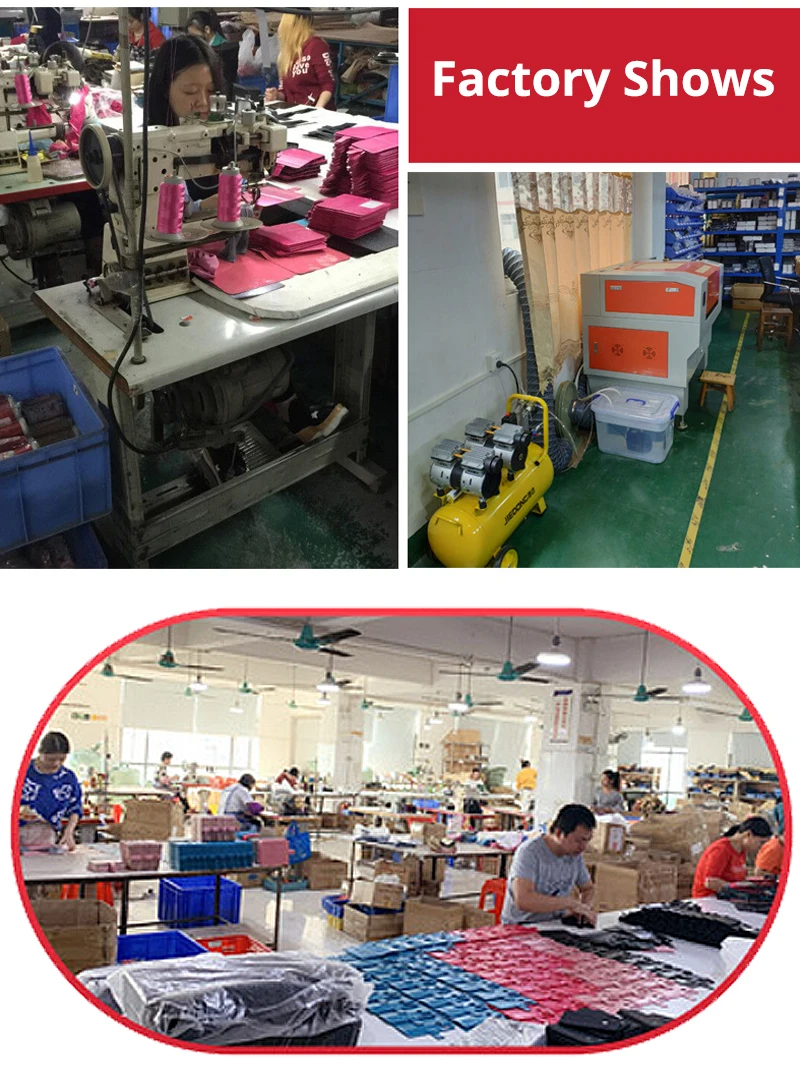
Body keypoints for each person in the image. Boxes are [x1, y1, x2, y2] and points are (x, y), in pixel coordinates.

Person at [146, 36, 348, 450]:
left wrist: (232, 202)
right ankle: (258, 405)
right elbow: (167, 210)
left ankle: (281, 401)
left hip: (213, 255)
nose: (203, 103)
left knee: (289, 306)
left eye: (210, 91)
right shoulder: (150, 148)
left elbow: (230, 184)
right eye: (190, 91)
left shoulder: (216, 136)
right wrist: (205, 210)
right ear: (163, 91)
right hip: (169, 265)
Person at [501, 804, 597, 926]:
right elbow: (523, 900)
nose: (583, 847)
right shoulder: (530, 852)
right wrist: (569, 903)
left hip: (554, 924)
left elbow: (588, 888)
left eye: (587, 841)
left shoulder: (574, 855)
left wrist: (584, 909)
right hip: (521, 925)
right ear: (558, 833)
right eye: (578, 841)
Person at [20, 732, 83, 851]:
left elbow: (75, 808)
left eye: (62, 759)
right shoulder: (22, 771)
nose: (56, 763)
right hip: (17, 831)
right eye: (51, 759)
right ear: (40, 753)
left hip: (47, 834)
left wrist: (69, 831)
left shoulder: (67, 778)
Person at [265, 12, 335, 110]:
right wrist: (276, 96)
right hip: (292, 112)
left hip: (314, 112)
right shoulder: (285, 54)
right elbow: (285, 92)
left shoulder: (316, 46)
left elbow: (327, 83)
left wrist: (318, 109)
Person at [692, 816, 773, 898]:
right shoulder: (721, 849)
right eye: (761, 842)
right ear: (748, 834)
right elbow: (710, 882)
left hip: (726, 897)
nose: (762, 847)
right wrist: (737, 892)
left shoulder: (741, 851)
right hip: (709, 898)